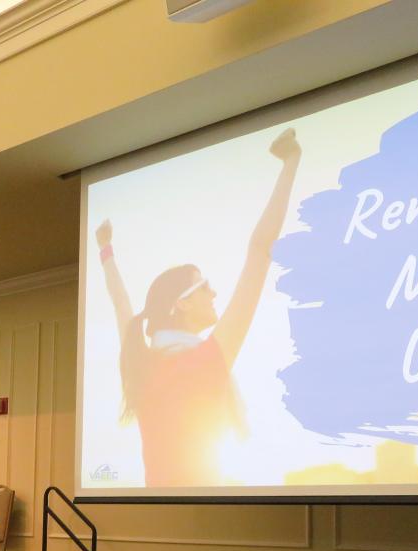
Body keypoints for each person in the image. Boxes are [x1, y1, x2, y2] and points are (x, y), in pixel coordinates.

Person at [95, 127, 301, 488]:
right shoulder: (207, 359)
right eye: (204, 285)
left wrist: (105, 250)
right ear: (182, 303)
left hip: (160, 507)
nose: (214, 292)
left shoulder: (143, 363)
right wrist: (291, 163)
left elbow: (121, 303)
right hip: (208, 505)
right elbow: (260, 250)